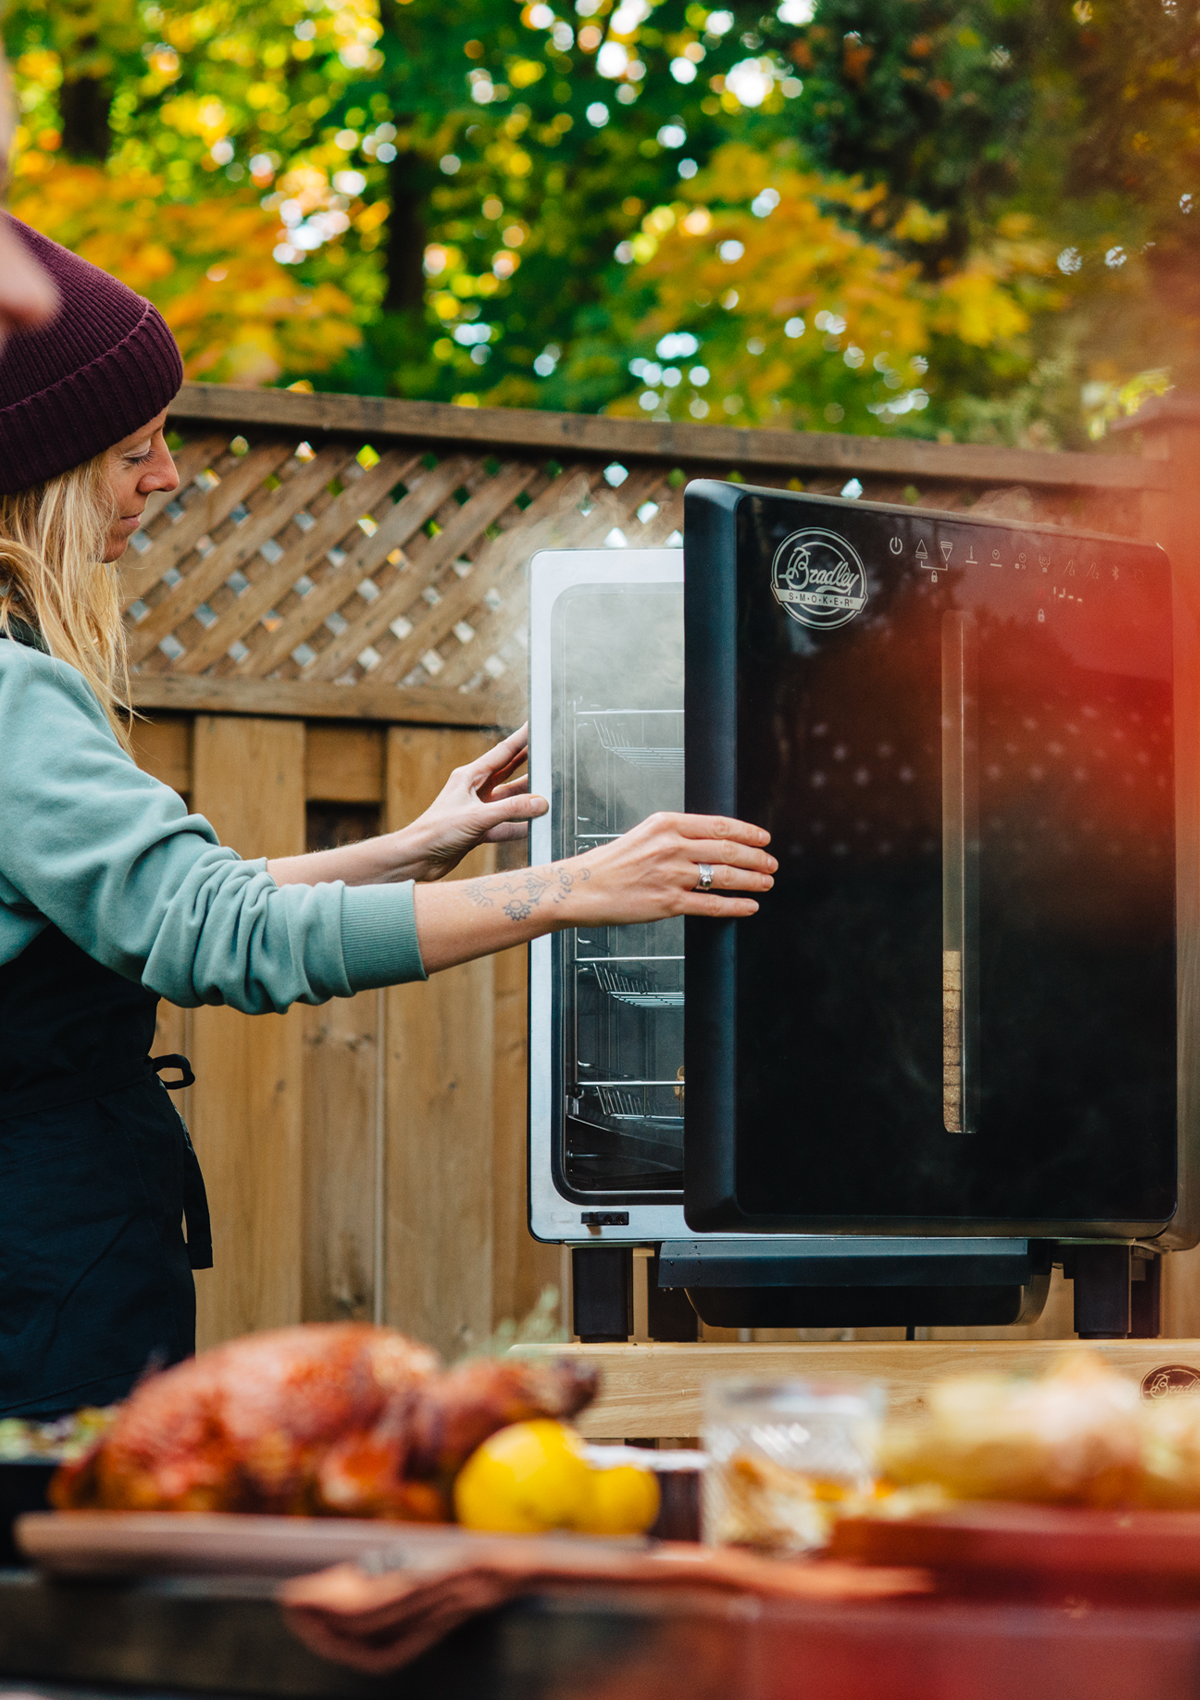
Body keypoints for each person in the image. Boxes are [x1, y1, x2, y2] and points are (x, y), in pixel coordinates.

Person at [0, 216, 775, 1418]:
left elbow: (158, 900)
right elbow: (216, 935)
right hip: (36, 1275)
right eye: (133, 450)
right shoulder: (7, 692)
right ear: (36, 471)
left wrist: (410, 845)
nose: (167, 478)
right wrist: (569, 889)